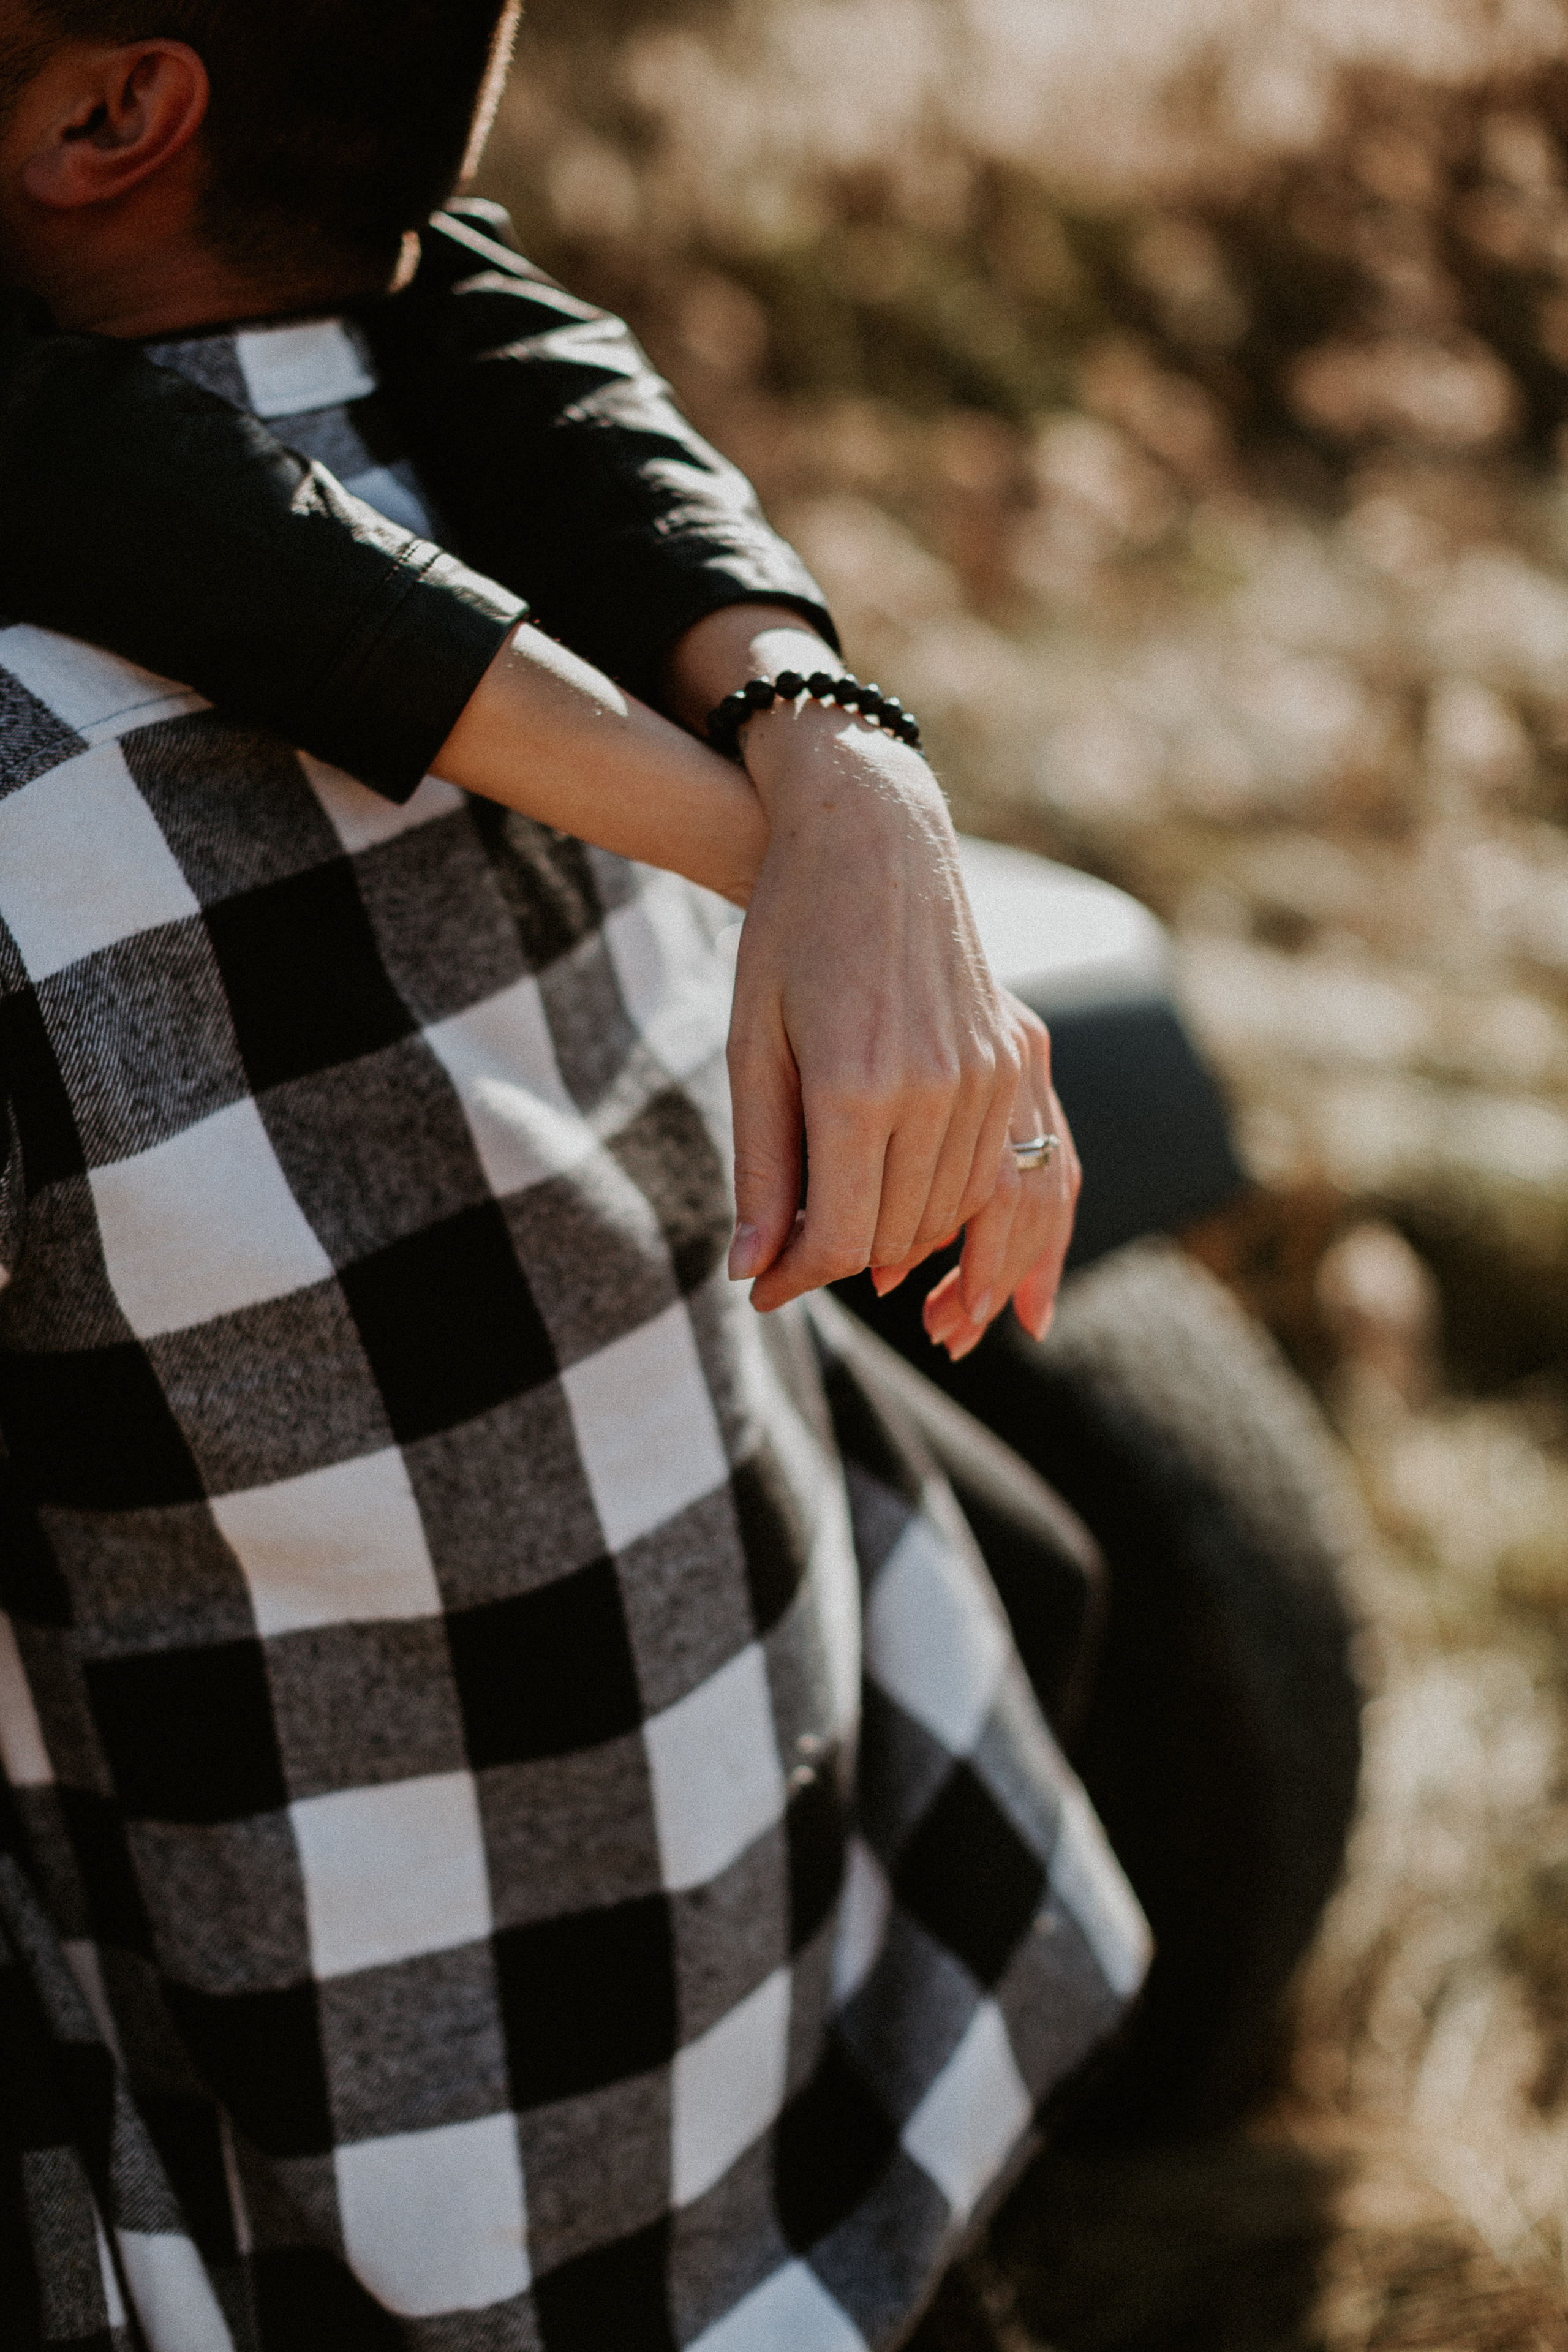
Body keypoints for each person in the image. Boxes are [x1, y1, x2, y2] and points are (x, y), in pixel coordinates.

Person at [0, 6, 1149, 2346]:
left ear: (109, 110)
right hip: (828, 1983)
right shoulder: (469, 456)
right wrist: (824, 788)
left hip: (326, 2189)